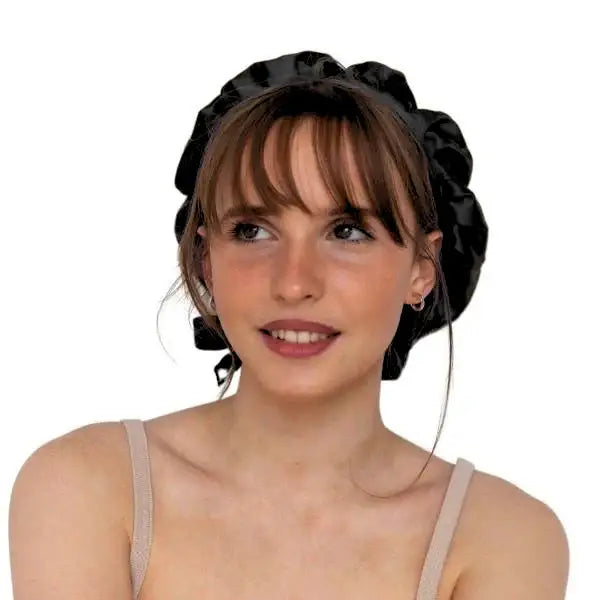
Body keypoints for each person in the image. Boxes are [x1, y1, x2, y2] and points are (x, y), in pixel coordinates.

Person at [9, 50, 569, 599]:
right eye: (253, 231)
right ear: (207, 260)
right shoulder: (89, 487)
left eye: (347, 231)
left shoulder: (502, 538)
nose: (294, 283)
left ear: (422, 269)